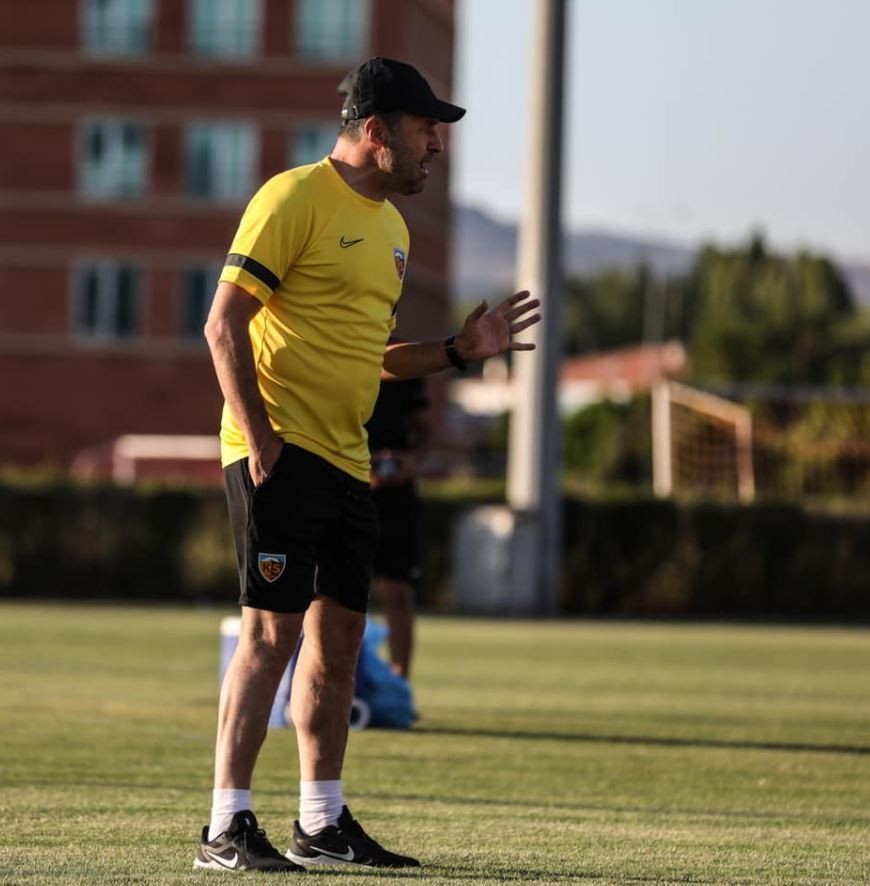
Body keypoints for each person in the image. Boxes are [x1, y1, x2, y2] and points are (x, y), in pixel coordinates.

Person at [196, 56, 541, 874]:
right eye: (426, 130)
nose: (437, 146)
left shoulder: (393, 230)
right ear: (377, 130)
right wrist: (261, 439)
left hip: (347, 463)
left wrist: (457, 350)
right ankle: (224, 827)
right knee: (270, 634)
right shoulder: (291, 198)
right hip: (278, 453)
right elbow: (222, 325)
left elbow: (373, 359)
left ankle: (321, 823)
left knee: (343, 639)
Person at [367, 370, 432, 680]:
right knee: (328, 595)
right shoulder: (335, 353)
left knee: (397, 590)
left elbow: (425, 430)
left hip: (395, 497)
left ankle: (398, 683)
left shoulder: (406, 365)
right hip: (341, 487)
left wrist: (411, 461)